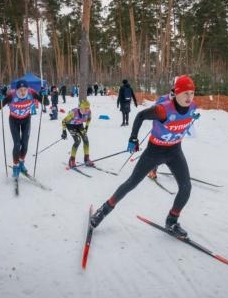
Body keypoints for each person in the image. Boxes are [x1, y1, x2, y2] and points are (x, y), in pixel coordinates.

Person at [90, 75, 198, 238]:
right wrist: (133, 138)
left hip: (175, 151)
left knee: (186, 187)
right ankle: (103, 211)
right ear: (176, 93)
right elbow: (140, 116)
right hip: (155, 151)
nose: (189, 97)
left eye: (192, 93)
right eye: (185, 93)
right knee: (131, 183)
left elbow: (184, 117)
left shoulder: (193, 106)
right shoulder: (163, 110)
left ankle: (172, 221)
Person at [0, 79, 43, 178]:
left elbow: (44, 101)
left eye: (24, 89)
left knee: (25, 144)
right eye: (20, 89)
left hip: (26, 119)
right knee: (17, 144)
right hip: (14, 120)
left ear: (27, 89)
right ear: (17, 90)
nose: (23, 92)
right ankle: (16, 166)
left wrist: (44, 97)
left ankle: (21, 163)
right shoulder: (12, 95)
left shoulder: (31, 93)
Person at [61, 99, 94, 168]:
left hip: (79, 125)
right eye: (86, 108)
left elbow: (89, 119)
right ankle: (71, 160)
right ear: (81, 107)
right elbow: (63, 121)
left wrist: (86, 127)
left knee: (86, 140)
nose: (87, 110)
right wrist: (64, 131)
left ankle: (86, 159)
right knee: (78, 140)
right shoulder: (73, 113)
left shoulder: (88, 112)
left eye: (88, 108)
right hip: (71, 125)